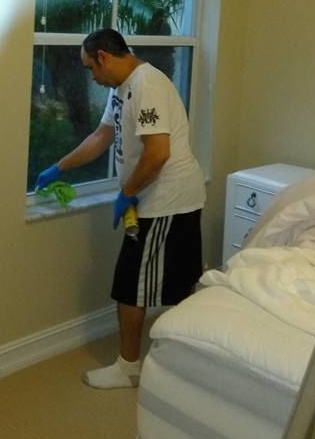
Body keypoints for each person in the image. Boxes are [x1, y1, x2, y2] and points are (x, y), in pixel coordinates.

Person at [35, 28, 206, 389]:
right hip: (160, 198)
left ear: (103, 57)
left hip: (166, 202)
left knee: (131, 285)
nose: (92, 77)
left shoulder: (147, 86)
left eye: (89, 68)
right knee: (174, 281)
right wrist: (59, 168)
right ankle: (187, 357)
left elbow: (158, 153)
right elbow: (101, 136)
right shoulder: (122, 89)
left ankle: (129, 366)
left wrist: (126, 192)